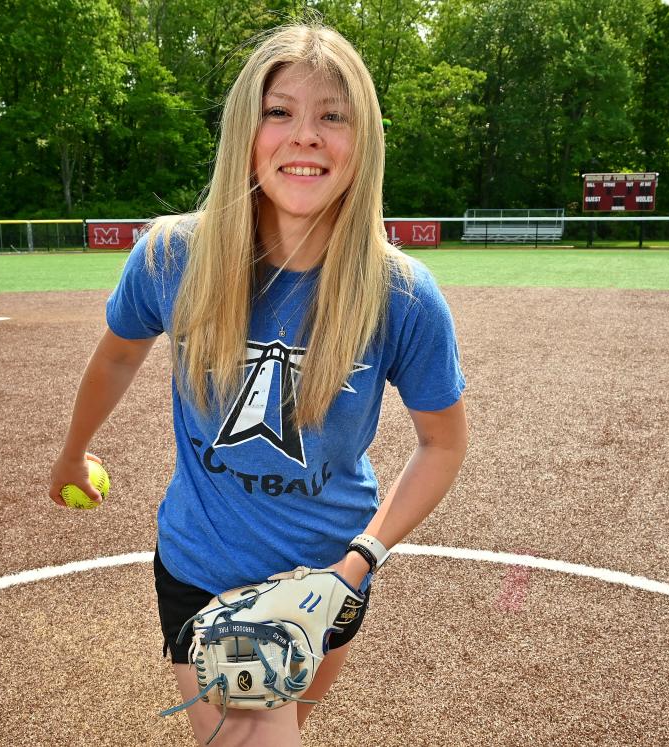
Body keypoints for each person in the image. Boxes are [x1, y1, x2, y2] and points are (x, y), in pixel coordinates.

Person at [49, 23, 467, 746]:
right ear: (246, 129)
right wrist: (71, 450)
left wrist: (357, 562)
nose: (306, 135)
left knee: (280, 726)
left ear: (360, 142)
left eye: (332, 115)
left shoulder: (401, 294)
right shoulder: (172, 256)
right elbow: (118, 355)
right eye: (280, 111)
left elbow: (443, 443)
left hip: (330, 582)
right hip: (203, 572)